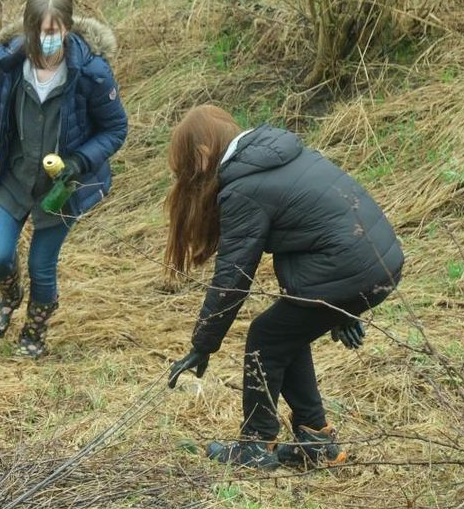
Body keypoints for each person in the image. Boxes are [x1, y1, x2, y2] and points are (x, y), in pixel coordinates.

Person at [163, 105, 404, 470]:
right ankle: (318, 439)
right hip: (381, 261)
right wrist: (342, 307)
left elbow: (233, 278)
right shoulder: (281, 155)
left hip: (350, 267)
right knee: (284, 333)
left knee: (266, 337)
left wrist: (202, 344)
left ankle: (256, 444)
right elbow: (314, 231)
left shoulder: (244, 187)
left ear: (201, 154)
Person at [0, 0, 127, 357]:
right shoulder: (10, 67)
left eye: (54, 30)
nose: (46, 39)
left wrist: (79, 161)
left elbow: (115, 129)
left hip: (62, 188)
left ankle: (34, 333)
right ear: (28, 28)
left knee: (41, 266)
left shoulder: (91, 72)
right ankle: (9, 298)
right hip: (15, 178)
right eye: (40, 31)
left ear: (67, 28)